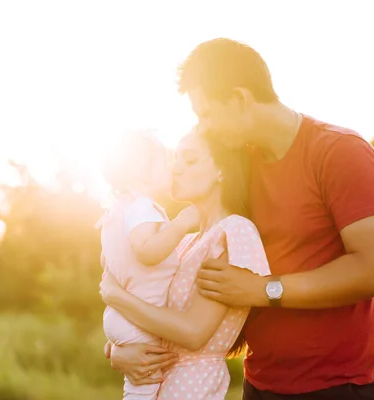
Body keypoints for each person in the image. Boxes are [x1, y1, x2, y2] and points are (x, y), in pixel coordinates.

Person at [107, 38, 374, 399]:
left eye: (206, 114)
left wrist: (265, 289)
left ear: (240, 99)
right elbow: (179, 290)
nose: (204, 127)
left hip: (343, 385)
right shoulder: (237, 168)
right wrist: (120, 347)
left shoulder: (340, 153)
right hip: (262, 384)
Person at [100, 129, 271, 399]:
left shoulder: (233, 231)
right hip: (157, 378)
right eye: (175, 159)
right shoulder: (182, 241)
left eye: (190, 160)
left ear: (221, 171)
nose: (176, 168)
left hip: (191, 384)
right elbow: (152, 308)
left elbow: (193, 333)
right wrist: (117, 350)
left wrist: (115, 296)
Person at [97, 131, 200, 399]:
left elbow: (106, 259)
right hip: (139, 318)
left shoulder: (119, 209)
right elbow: (146, 251)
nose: (172, 169)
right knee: (145, 386)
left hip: (125, 314)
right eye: (165, 163)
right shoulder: (142, 207)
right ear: (143, 175)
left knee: (139, 386)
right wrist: (180, 224)